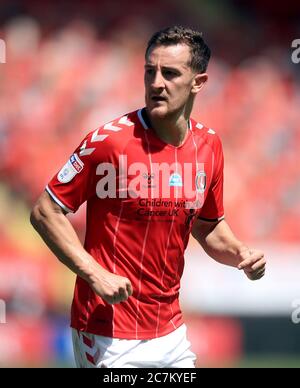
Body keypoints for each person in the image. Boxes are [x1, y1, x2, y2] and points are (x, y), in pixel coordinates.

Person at [30, 26, 266, 368]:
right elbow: (45, 211)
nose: (156, 83)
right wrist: (95, 274)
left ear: (198, 82)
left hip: (171, 332)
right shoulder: (108, 143)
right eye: (149, 71)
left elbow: (209, 226)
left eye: (170, 73)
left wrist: (241, 253)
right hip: (107, 332)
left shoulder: (209, 146)